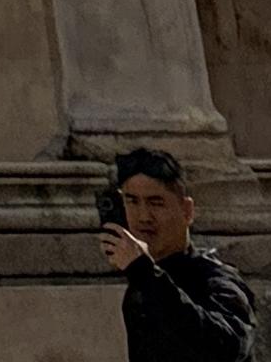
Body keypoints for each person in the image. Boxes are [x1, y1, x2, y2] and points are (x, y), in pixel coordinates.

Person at [101, 149, 254, 362]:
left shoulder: (214, 279)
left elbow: (227, 346)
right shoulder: (145, 281)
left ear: (187, 211)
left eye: (156, 203)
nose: (143, 217)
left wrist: (145, 274)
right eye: (132, 201)